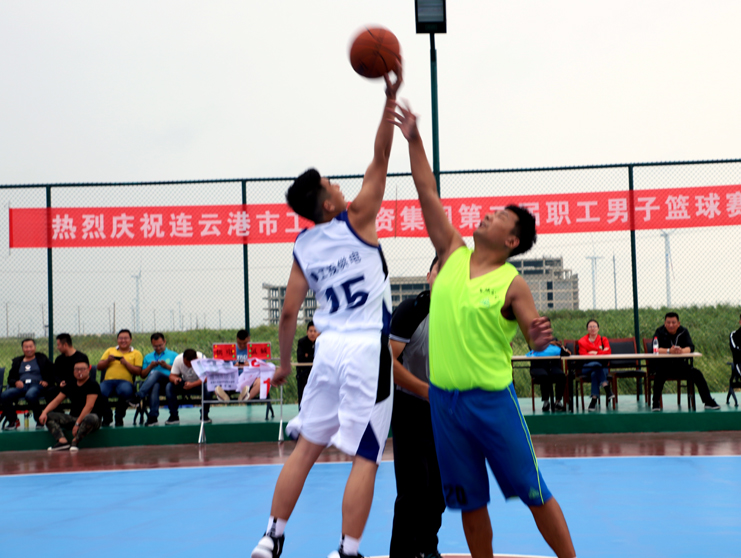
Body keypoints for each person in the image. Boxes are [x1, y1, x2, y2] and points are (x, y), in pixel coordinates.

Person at [389, 101, 576, 558]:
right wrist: (414, 138)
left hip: (492, 402)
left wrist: (539, 337)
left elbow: (532, 330)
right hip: (445, 405)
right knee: (469, 502)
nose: (489, 216)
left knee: (534, 492)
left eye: (500, 217)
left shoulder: (511, 282)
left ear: (512, 240)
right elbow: (426, 190)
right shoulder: (451, 254)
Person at [251, 66, 402, 558]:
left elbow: (288, 314)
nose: (339, 185)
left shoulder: (305, 246)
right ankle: (348, 549)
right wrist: (389, 101)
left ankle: (271, 537)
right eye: (333, 184)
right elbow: (381, 158)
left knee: (307, 447)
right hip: (366, 350)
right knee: (366, 455)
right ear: (329, 201)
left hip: (328, 349)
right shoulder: (358, 219)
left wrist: (281, 362)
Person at [388, 257, 445, 558]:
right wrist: (426, 391)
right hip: (410, 407)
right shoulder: (411, 310)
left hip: (446, 412)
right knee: (413, 489)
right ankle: (402, 553)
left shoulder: (464, 316)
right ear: (429, 276)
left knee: (438, 491)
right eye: (440, 270)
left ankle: (427, 548)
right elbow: (388, 362)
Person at [650, 312, 720, 411]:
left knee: (697, 374)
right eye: (668, 322)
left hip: (680, 366)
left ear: (678, 323)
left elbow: (690, 347)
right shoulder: (659, 332)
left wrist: (681, 351)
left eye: (673, 322)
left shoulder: (683, 331)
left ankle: (708, 401)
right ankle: (655, 403)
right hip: (664, 365)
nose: (671, 325)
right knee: (659, 375)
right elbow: (655, 349)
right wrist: (669, 351)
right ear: (665, 323)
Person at [38, 355, 107, 451]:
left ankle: (75, 441)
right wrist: (44, 412)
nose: (79, 372)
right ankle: (62, 442)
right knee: (49, 416)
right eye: (77, 369)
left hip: (90, 420)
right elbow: (57, 400)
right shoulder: (71, 384)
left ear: (88, 370)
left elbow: (89, 406)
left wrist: (77, 424)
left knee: (91, 417)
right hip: (74, 418)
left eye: (82, 369)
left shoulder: (93, 385)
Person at [1, 338, 54, 430]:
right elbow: (10, 379)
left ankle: (39, 420)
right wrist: (15, 382)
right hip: (22, 386)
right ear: (22, 348)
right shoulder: (17, 362)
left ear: (35, 347)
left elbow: (52, 371)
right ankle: (13, 421)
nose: (29, 349)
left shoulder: (42, 359)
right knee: (4, 395)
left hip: (36, 385)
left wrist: (47, 381)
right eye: (26, 347)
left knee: (30, 395)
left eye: (31, 346)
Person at [127, 332, 178, 426]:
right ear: (152, 344)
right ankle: (153, 417)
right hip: (154, 384)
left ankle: (139, 395)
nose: (158, 348)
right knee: (155, 385)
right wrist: (150, 366)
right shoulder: (148, 357)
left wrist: (166, 366)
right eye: (155, 346)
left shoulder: (174, 355)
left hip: (169, 381)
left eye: (160, 345)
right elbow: (142, 375)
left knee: (156, 373)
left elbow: (179, 372)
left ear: (164, 342)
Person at [96, 329, 143, 427]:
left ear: (130, 340)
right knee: (98, 391)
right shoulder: (110, 350)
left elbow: (138, 372)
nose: (123, 340)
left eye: (126, 338)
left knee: (126, 392)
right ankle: (107, 416)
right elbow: (99, 367)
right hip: (108, 382)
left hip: (125, 382)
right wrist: (108, 360)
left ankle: (119, 416)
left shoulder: (136, 353)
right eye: (121, 338)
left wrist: (126, 363)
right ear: (117, 340)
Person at [527, 318, 570, 412]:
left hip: (552, 366)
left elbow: (560, 351)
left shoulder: (554, 340)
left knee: (561, 375)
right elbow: (533, 348)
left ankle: (558, 401)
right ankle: (546, 401)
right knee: (544, 376)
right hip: (538, 367)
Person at [576, 319, 614, 412]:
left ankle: (593, 400)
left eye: (594, 326)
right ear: (587, 329)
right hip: (587, 367)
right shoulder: (582, 341)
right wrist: (600, 352)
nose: (592, 328)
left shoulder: (603, 340)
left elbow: (608, 352)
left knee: (595, 373)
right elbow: (583, 355)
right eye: (590, 327)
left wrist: (595, 353)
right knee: (597, 365)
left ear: (598, 328)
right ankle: (606, 387)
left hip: (602, 367)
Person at [166, 349, 209, 424]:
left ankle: (204, 415)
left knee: (207, 387)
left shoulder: (202, 359)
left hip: (199, 384)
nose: (188, 365)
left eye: (191, 364)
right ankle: (174, 416)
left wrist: (192, 384)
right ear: (183, 358)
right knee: (169, 386)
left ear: (196, 359)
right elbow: (171, 376)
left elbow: (206, 378)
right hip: (184, 383)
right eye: (186, 363)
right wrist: (175, 379)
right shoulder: (178, 359)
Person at [296, 321, 319, 409]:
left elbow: (322, 358)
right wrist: (313, 356)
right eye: (310, 331)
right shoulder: (302, 342)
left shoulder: (321, 342)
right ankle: (302, 410)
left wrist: (308, 355)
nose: (313, 333)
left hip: (318, 372)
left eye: (315, 331)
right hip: (304, 372)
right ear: (307, 332)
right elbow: (300, 359)